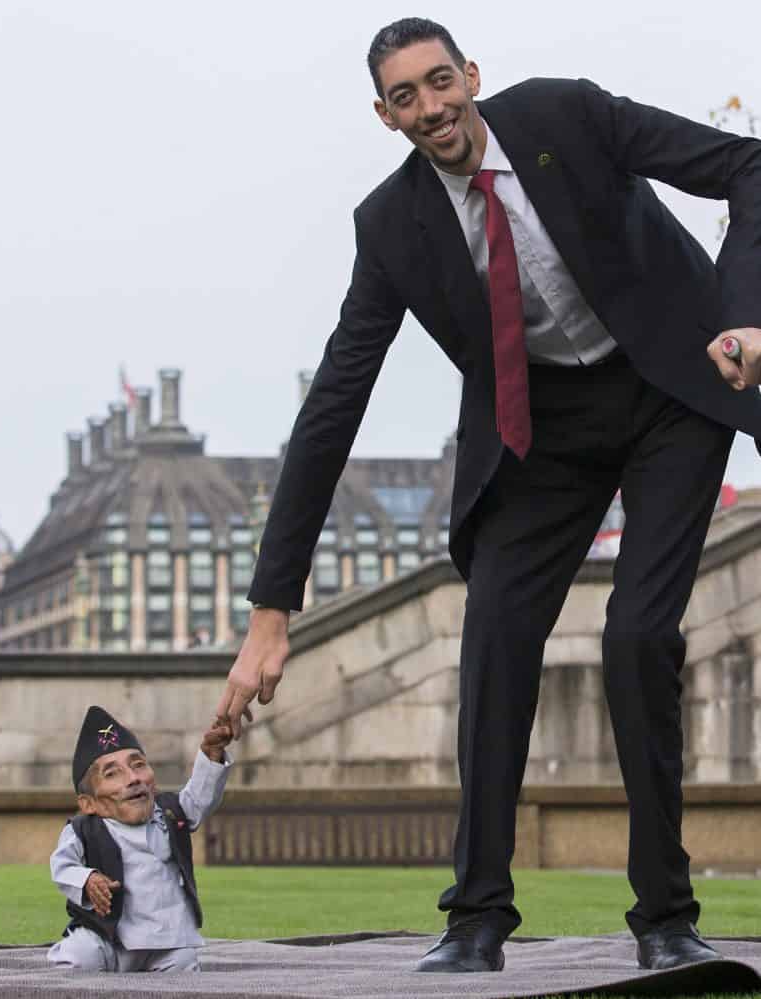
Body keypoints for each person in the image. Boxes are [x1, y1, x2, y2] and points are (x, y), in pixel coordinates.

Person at [216, 16, 761, 975]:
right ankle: (474, 916)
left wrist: (743, 311)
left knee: (637, 635)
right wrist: (272, 608)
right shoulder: (389, 227)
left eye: (439, 83)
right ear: (383, 116)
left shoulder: (567, 112)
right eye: (404, 98)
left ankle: (666, 915)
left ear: (470, 75)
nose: (431, 109)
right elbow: (334, 402)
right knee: (494, 640)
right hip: (539, 429)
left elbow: (748, 165)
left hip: (669, 390)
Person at [47, 706, 233, 973]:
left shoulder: (171, 812)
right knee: (79, 956)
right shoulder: (83, 829)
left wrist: (212, 755)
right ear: (89, 803)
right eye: (112, 773)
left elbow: (200, 797)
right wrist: (87, 879)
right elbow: (62, 866)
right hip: (109, 938)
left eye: (138, 765)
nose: (133, 779)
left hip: (168, 940)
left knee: (183, 967)